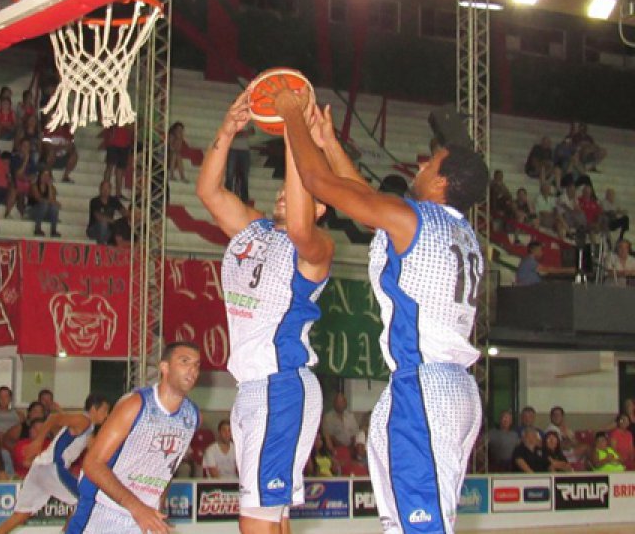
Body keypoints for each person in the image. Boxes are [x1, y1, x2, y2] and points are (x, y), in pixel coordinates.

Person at [272, 85, 488, 534]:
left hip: (424, 389)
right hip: (447, 388)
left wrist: (292, 118)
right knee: (406, 523)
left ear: (443, 182)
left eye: (431, 163)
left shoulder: (413, 219)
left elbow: (320, 185)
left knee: (421, 527)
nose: (422, 165)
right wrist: (330, 143)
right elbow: (366, 207)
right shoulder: (461, 235)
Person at [198, 90, 334, 533]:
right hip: (258, 388)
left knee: (254, 523)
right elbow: (208, 192)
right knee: (271, 520)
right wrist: (227, 129)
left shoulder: (314, 248)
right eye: (281, 189)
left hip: (281, 384)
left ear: (320, 207)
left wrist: (296, 135)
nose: (282, 194)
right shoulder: (253, 229)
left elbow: (298, 222)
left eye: (294, 191)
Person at [66, 342, 201, 534]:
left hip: (143, 517)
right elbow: (92, 464)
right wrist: (137, 508)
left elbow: (166, 472)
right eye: (184, 361)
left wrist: (155, 511)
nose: (192, 370)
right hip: (105, 509)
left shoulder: (192, 416)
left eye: (196, 364)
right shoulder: (136, 404)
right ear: (164, 367)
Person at [0, 394, 111, 534]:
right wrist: (38, 441)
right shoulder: (83, 420)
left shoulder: (87, 428)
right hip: (52, 467)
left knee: (20, 515)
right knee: (84, 499)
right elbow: (54, 418)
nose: (106, 415)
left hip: (40, 468)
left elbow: (96, 454)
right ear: (93, 409)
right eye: (105, 410)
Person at [87, 180, 127, 244]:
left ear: (110, 190)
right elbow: (98, 217)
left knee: (123, 224)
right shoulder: (94, 201)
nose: (105, 191)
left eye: (107, 188)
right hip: (94, 229)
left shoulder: (114, 200)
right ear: (100, 189)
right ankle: (101, 246)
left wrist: (127, 216)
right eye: (103, 188)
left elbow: (123, 211)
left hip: (108, 230)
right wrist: (113, 221)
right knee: (103, 224)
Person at [28, 166, 61, 237]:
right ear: (40, 176)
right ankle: (37, 228)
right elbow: (39, 199)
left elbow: (52, 200)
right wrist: (52, 202)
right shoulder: (34, 186)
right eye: (44, 175)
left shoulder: (52, 188)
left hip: (45, 212)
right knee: (45, 204)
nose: (45, 177)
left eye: (47, 175)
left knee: (54, 207)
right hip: (34, 211)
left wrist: (49, 187)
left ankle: (53, 230)